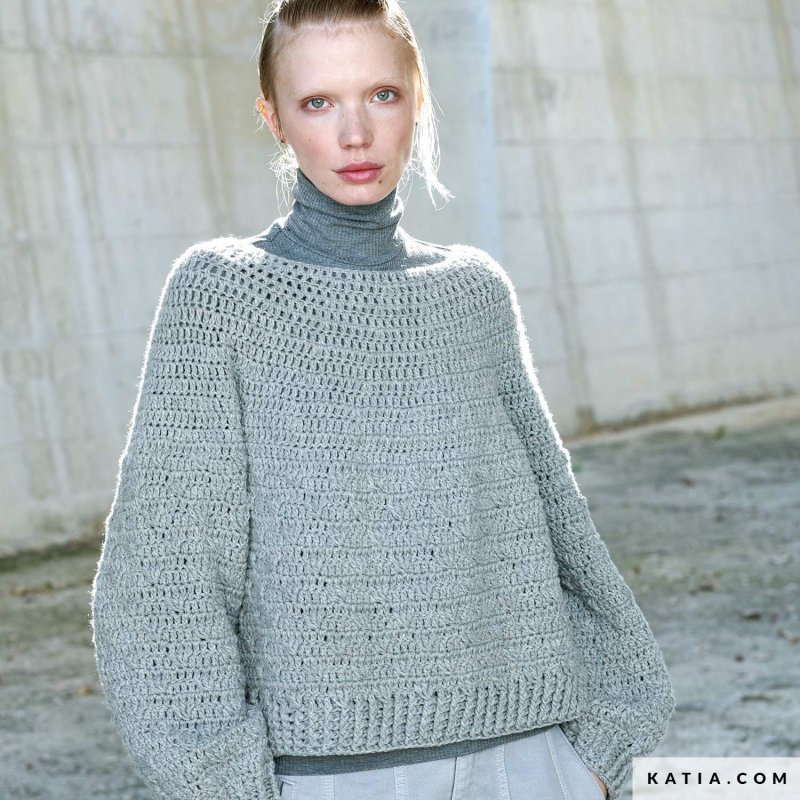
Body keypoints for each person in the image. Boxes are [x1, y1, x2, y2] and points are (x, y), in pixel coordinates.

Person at [89, 1, 676, 799]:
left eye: (382, 95)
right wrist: (220, 784)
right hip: (325, 777)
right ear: (274, 119)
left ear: (417, 100)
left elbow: (564, 534)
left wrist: (601, 756)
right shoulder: (221, 296)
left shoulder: (473, 295)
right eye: (317, 102)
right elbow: (164, 577)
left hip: (529, 761)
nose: (354, 133)